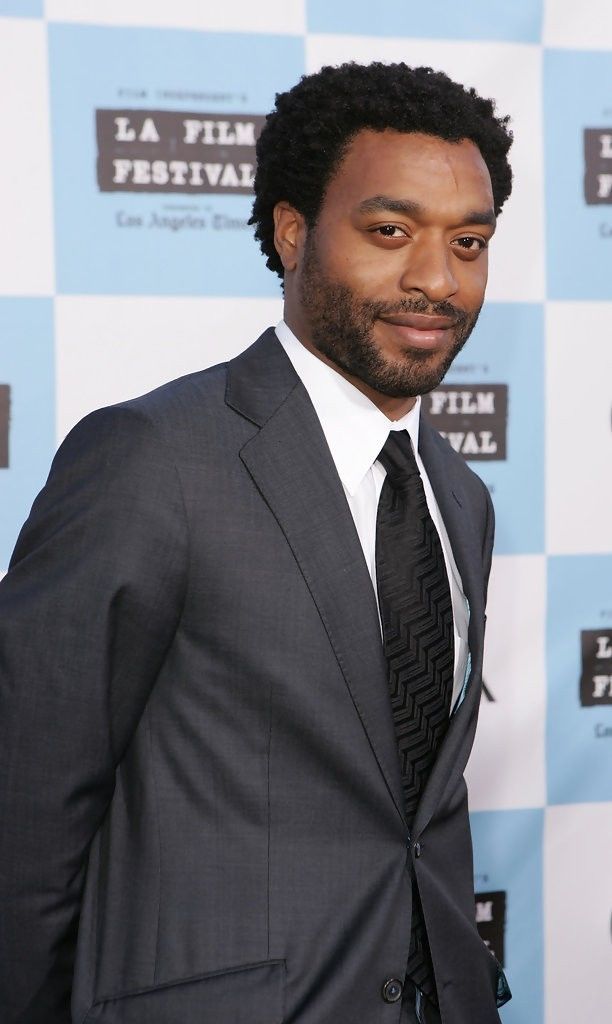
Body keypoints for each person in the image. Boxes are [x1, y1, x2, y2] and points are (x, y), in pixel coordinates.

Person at [0, 62, 513, 1024]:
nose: (436, 279)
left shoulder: (460, 496)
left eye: (469, 242)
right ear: (292, 232)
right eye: (389, 232)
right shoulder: (153, 460)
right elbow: (25, 811)